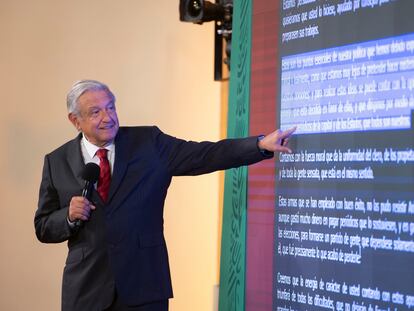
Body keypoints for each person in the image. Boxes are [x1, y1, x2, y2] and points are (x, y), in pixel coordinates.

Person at [34, 80, 295, 311]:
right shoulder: (56, 162)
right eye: (95, 112)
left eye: (111, 107)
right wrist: (67, 216)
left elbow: (204, 155)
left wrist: (258, 145)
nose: (108, 117)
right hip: (86, 292)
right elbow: (43, 226)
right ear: (75, 120)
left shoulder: (149, 143)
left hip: (144, 286)